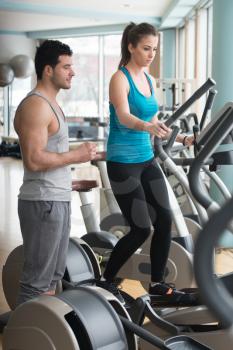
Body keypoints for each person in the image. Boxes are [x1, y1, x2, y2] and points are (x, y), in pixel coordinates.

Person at [102, 22, 194, 304]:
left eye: (154, 49)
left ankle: (157, 284)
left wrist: (180, 139)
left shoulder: (149, 80)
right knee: (141, 228)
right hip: (122, 162)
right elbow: (124, 116)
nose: (151, 53)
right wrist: (148, 127)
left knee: (165, 219)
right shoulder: (120, 78)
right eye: (146, 48)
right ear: (131, 47)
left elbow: (154, 123)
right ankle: (106, 281)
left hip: (146, 159)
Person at [14, 40, 99, 305]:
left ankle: (39, 333)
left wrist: (68, 183)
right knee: (37, 280)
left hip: (55, 197)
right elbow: (34, 160)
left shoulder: (52, 104)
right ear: (48, 70)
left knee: (52, 278)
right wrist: (79, 155)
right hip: (42, 202)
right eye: (66, 66)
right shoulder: (36, 106)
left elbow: (48, 157)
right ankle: (23, 339)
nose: (72, 72)